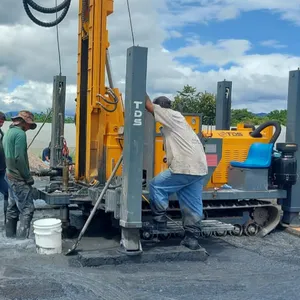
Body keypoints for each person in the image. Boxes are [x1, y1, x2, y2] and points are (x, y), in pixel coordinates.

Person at [145, 95, 208, 251]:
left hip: (185, 166)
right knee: (191, 203)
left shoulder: (171, 115)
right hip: (199, 168)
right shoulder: (176, 123)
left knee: (156, 185)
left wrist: (139, 85)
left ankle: (159, 222)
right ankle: (191, 239)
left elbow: (148, 106)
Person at [3, 110, 37, 238]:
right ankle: (22, 241)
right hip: (18, 178)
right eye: (29, 125)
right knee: (27, 209)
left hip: (9, 175)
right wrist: (28, 177)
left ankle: (9, 236)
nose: (29, 128)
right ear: (23, 122)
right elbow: (19, 158)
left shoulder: (9, 132)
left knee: (13, 208)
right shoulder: (20, 134)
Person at [0, 112, 8, 225]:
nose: (1, 123)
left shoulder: (2, 134)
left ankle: (7, 220)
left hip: (1, 171)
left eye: (2, 122)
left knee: (7, 192)